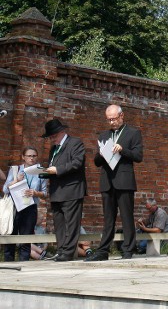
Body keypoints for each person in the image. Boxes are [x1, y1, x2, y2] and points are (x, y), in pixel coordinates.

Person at [86, 104, 143, 261]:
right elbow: (96, 162)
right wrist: (101, 154)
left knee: (126, 216)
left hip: (124, 180)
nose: (111, 122)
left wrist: (122, 149)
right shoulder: (103, 135)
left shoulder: (133, 133)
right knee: (108, 219)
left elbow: (138, 156)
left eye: (114, 119)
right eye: (108, 120)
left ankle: (128, 249)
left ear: (121, 116)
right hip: (107, 180)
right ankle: (103, 251)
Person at [41, 119, 87, 262]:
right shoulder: (53, 149)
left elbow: (77, 163)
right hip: (56, 191)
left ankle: (68, 252)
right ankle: (61, 250)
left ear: (62, 132)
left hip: (71, 190)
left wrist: (58, 169)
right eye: (50, 137)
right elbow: (52, 166)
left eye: (53, 136)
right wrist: (44, 172)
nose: (52, 139)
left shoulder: (75, 143)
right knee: (59, 223)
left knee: (72, 223)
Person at [3, 147, 48, 261]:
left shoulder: (40, 171)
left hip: (30, 207)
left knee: (26, 239)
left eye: (34, 156)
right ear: (23, 157)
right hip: (14, 207)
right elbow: (5, 190)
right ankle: (9, 263)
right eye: (29, 156)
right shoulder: (15, 169)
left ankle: (24, 264)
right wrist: (16, 181)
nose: (32, 158)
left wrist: (35, 192)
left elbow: (45, 193)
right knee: (10, 237)